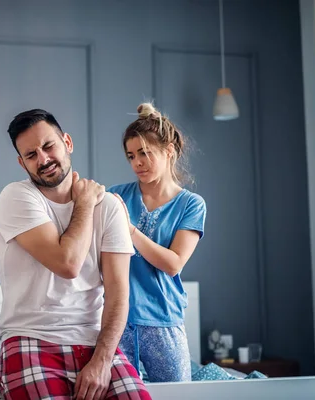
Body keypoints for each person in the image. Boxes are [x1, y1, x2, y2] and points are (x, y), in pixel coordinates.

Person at [0, 109, 152, 400]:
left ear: (67, 142)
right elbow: (68, 263)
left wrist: (102, 361)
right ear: (21, 163)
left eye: (48, 146)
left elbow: (118, 295)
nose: (42, 159)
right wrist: (85, 203)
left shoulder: (110, 207)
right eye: (30, 155)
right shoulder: (16, 197)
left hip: (94, 343)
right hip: (30, 338)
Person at [108, 103, 207, 383]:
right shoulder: (115, 196)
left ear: (169, 152)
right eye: (131, 156)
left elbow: (174, 263)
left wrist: (128, 229)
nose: (137, 162)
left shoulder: (191, 204)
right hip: (118, 321)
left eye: (145, 153)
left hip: (164, 319)